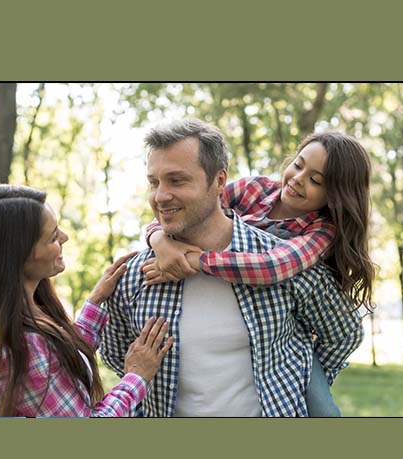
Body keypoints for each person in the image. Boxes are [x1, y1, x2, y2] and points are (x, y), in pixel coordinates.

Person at [99, 118, 364, 417]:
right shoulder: (136, 274)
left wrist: (295, 377)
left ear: (219, 181)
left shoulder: (301, 255)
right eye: (154, 182)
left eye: (177, 180)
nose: (160, 195)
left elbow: (342, 332)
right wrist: (158, 237)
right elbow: (114, 353)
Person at [0, 184, 173, 417]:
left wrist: (94, 302)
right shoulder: (23, 343)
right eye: (53, 237)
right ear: (19, 255)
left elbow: (58, 367)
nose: (65, 237)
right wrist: (136, 376)